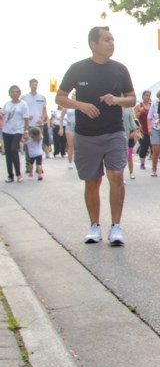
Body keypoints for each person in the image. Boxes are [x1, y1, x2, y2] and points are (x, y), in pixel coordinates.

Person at [56, 26, 136, 246]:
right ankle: (94, 226)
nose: (112, 43)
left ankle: (116, 227)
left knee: (116, 176)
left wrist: (117, 100)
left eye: (113, 39)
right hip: (86, 134)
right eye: (107, 39)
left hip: (114, 131)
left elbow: (132, 99)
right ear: (93, 44)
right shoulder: (77, 69)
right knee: (92, 181)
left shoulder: (120, 69)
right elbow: (60, 98)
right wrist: (80, 105)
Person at [3, 86, 30, 182]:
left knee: (13, 149)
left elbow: (26, 119)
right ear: (9, 93)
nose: (14, 93)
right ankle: (10, 175)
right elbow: (3, 115)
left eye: (16, 92)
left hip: (18, 130)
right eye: (12, 92)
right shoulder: (7, 104)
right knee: (8, 152)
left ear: (19, 93)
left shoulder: (23, 104)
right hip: (6, 130)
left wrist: (26, 132)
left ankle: (18, 174)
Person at [23, 79, 49, 173]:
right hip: (29, 124)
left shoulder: (42, 97)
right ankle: (28, 166)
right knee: (29, 146)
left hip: (38, 124)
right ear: (30, 85)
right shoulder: (24, 97)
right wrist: (26, 117)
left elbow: (45, 109)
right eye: (33, 84)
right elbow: (22, 109)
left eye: (36, 84)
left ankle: (39, 166)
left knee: (39, 145)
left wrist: (42, 118)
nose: (34, 86)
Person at [135, 90, 152, 171]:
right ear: (143, 96)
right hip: (142, 130)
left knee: (154, 147)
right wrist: (140, 112)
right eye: (146, 95)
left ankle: (154, 163)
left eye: (149, 95)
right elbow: (134, 117)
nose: (148, 97)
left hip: (151, 130)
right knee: (144, 147)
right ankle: (142, 163)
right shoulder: (138, 106)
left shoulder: (152, 105)